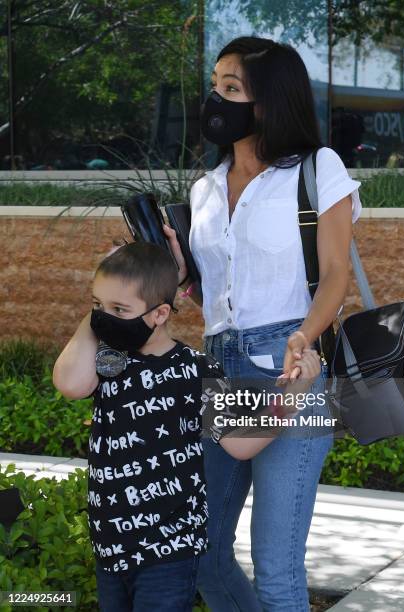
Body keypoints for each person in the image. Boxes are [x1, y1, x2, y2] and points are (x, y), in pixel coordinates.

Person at [162, 36, 363, 611]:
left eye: (232, 89)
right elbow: (216, 297)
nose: (215, 100)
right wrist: (183, 278)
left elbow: (332, 275)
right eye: (215, 85)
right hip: (220, 366)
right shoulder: (204, 189)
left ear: (267, 103)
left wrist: (304, 336)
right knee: (203, 552)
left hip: (290, 365)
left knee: (276, 566)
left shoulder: (317, 169)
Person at [52, 241, 320, 612]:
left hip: (170, 549)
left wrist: (293, 398)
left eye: (120, 309)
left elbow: (238, 445)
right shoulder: (109, 360)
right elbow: (69, 383)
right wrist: (98, 315)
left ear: (160, 313)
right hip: (111, 542)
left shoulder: (197, 370)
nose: (105, 317)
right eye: (98, 304)